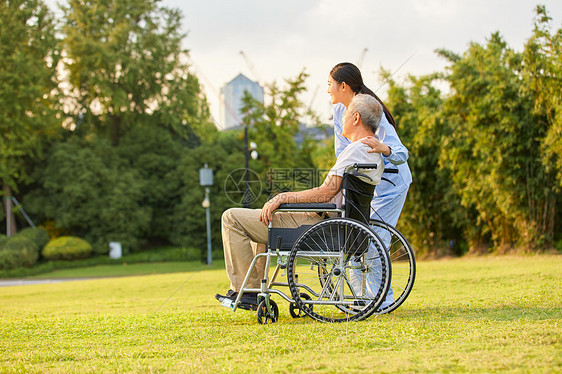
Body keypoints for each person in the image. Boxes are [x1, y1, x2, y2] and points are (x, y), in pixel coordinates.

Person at [216, 94, 385, 309]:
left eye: (346, 114)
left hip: (318, 224)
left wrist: (283, 197)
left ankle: (246, 291)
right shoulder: (372, 152)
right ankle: (254, 289)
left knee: (231, 217)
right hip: (334, 224)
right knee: (261, 217)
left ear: (356, 118)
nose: (341, 119)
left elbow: (325, 192)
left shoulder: (355, 150)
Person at [328, 62, 412, 308]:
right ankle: (360, 299)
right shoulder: (338, 113)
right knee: (356, 237)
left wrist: (382, 148)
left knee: (375, 239)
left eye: (330, 85)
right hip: (362, 183)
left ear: (343, 85)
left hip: (390, 184)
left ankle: (381, 301)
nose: (328, 90)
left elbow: (400, 151)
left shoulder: (368, 108)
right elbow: (343, 152)